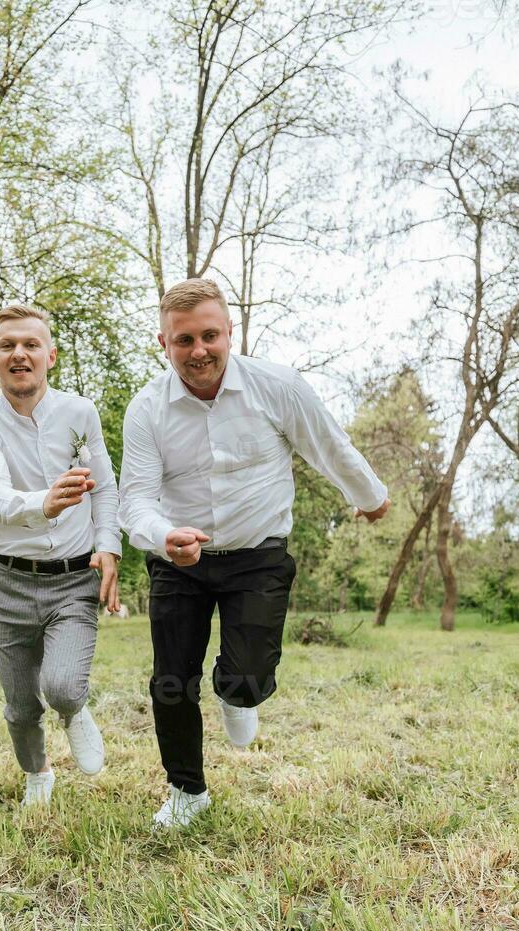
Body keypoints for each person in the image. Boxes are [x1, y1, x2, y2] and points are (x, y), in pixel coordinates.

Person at [119, 279, 391, 828]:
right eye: (184, 340)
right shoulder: (147, 408)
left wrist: (370, 496)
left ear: (229, 332)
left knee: (245, 679)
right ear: (164, 343)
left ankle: (237, 696)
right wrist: (162, 535)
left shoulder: (278, 387)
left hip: (257, 558)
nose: (199, 351)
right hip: (180, 562)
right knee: (170, 681)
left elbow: (329, 445)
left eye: (210, 336)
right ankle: (186, 791)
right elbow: (135, 500)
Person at [0, 303, 121, 807]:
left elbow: (106, 487)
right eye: (8, 346)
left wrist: (108, 545)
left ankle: (75, 710)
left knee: (62, 687)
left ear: (50, 354)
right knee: (19, 706)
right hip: (9, 584)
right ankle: (38, 775)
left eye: (30, 344)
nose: (19, 354)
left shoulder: (80, 413)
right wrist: (42, 503)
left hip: (73, 580)